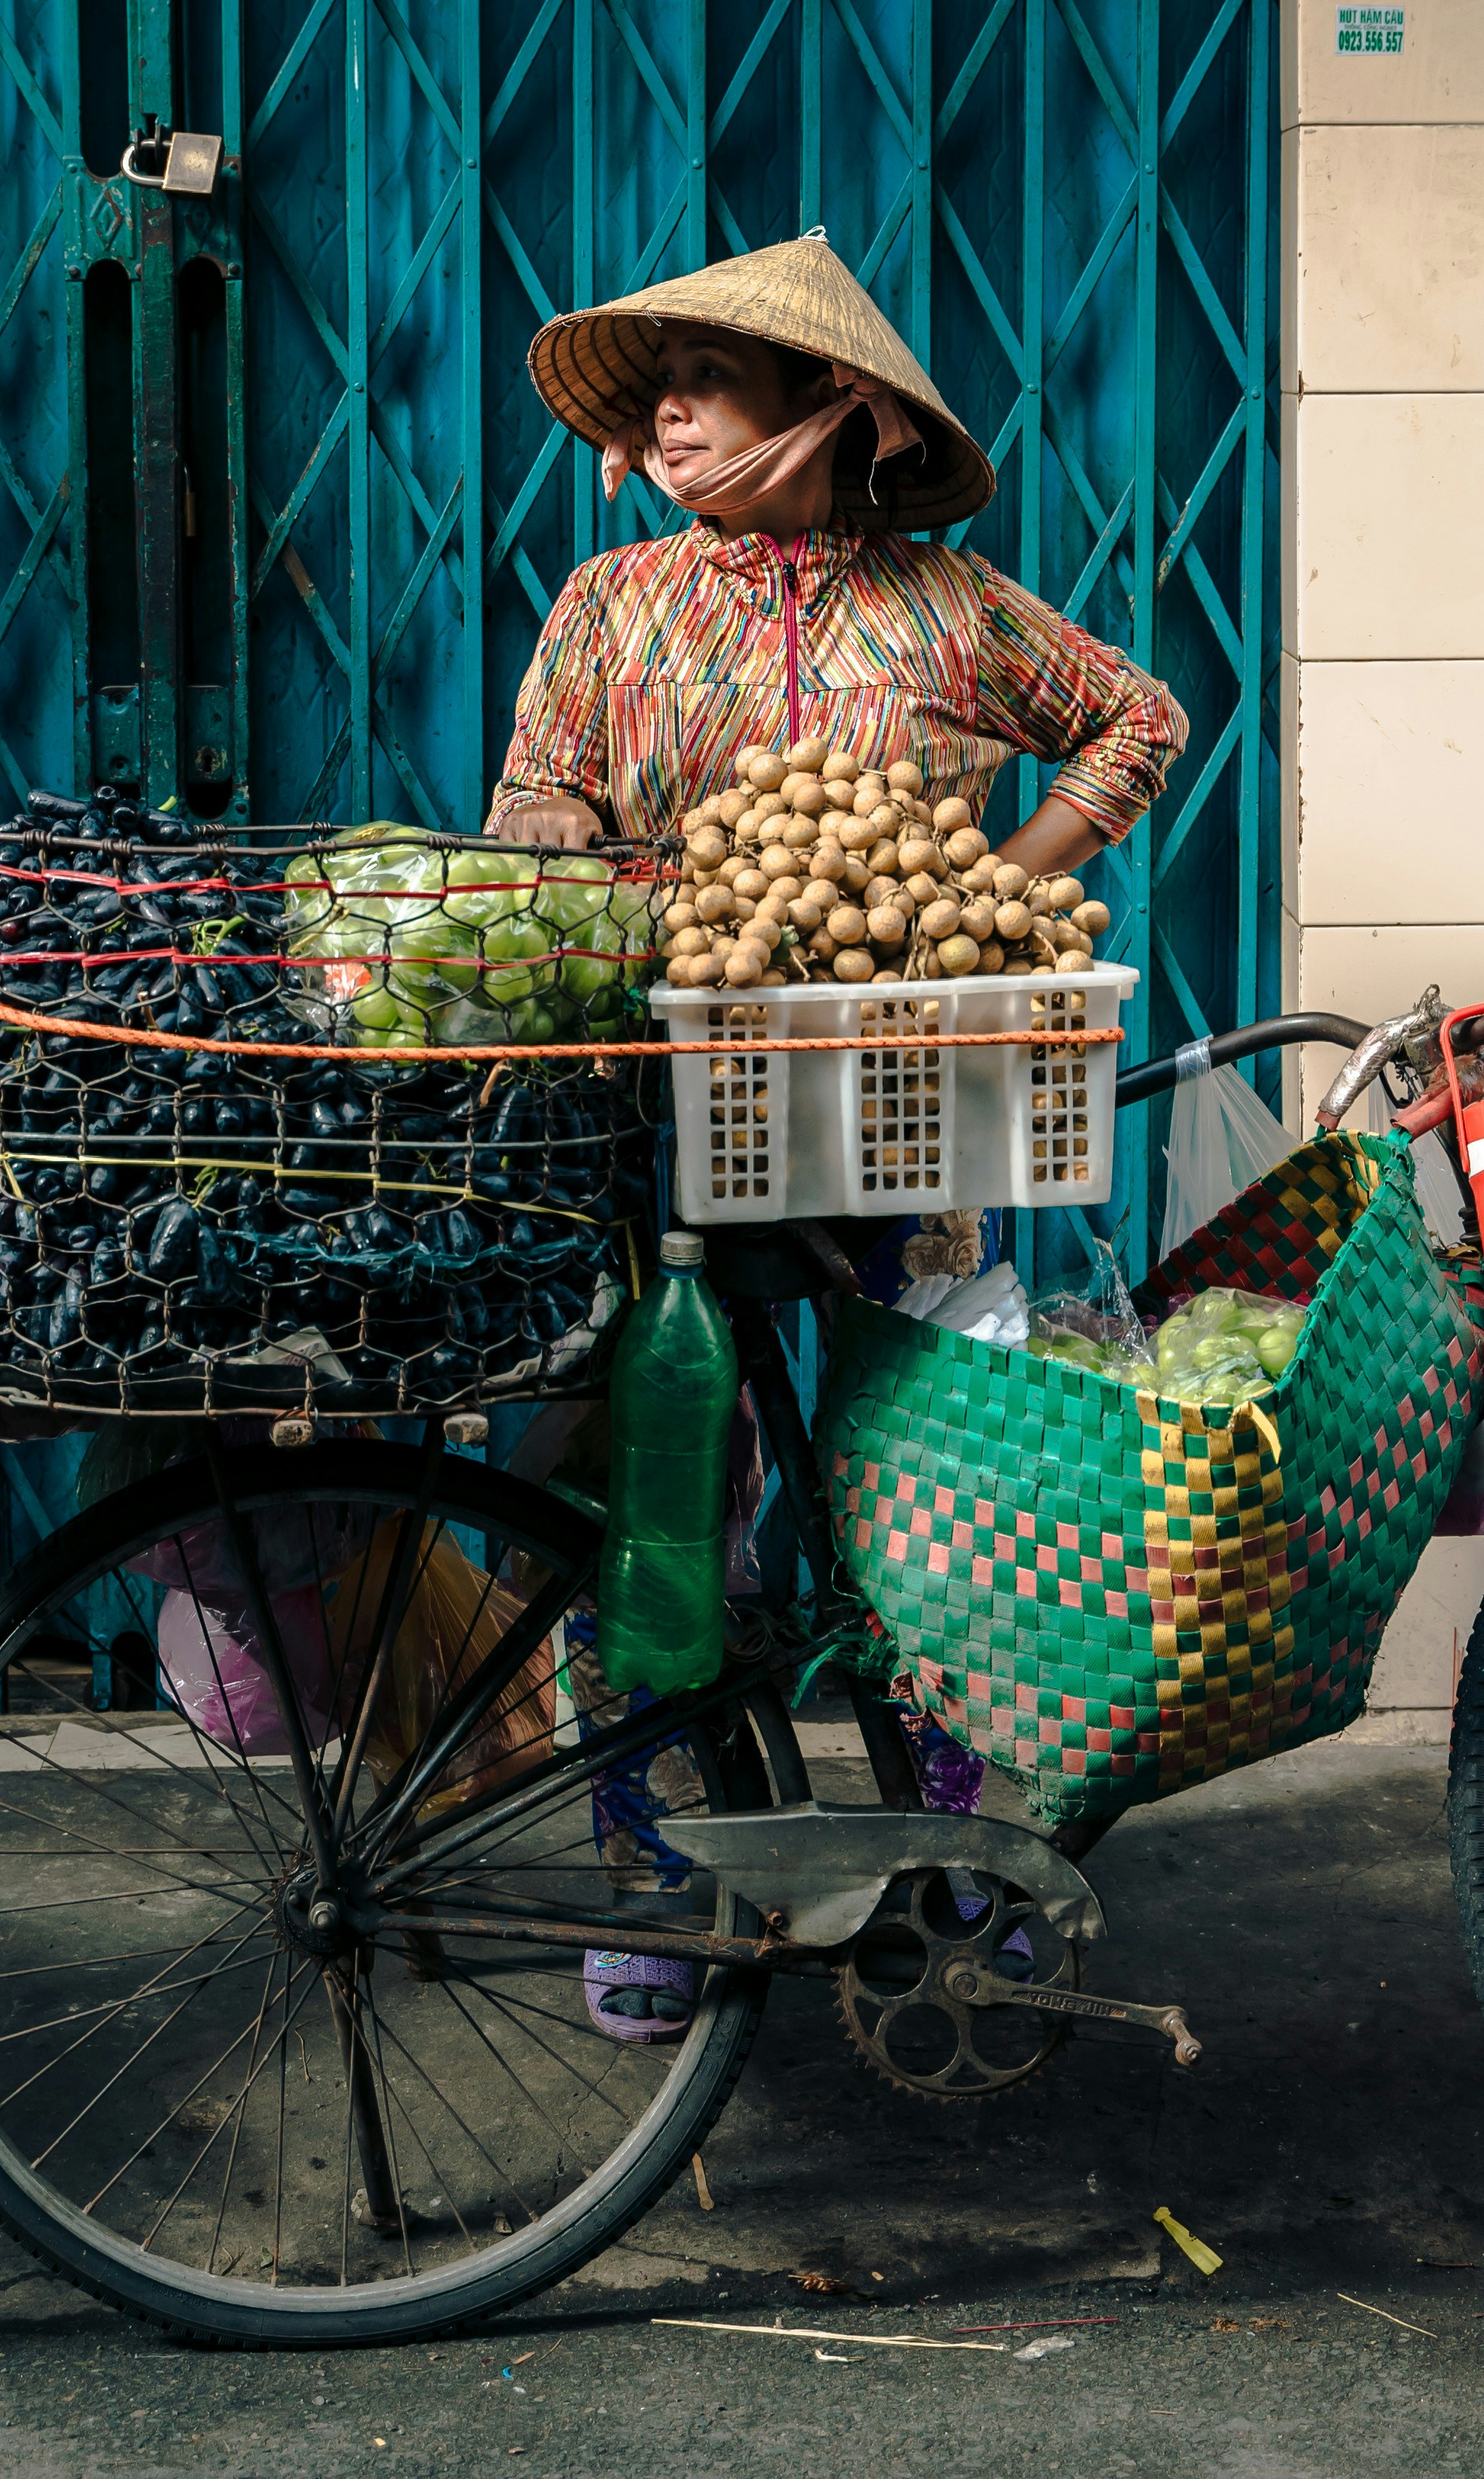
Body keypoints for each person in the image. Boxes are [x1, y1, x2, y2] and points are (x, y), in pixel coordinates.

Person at [490, 232, 1186, 2038]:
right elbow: (532, 807)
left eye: (713, 378)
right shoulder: (610, 606)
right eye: (660, 381)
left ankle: (955, 1867)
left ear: (837, 408)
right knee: (660, 1509)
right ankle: (656, 1875)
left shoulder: (948, 608)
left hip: (907, 1123)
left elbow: (1141, 715)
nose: (670, 410)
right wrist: (596, 895)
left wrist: (994, 881)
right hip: (669, 1123)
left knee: (940, 1506)